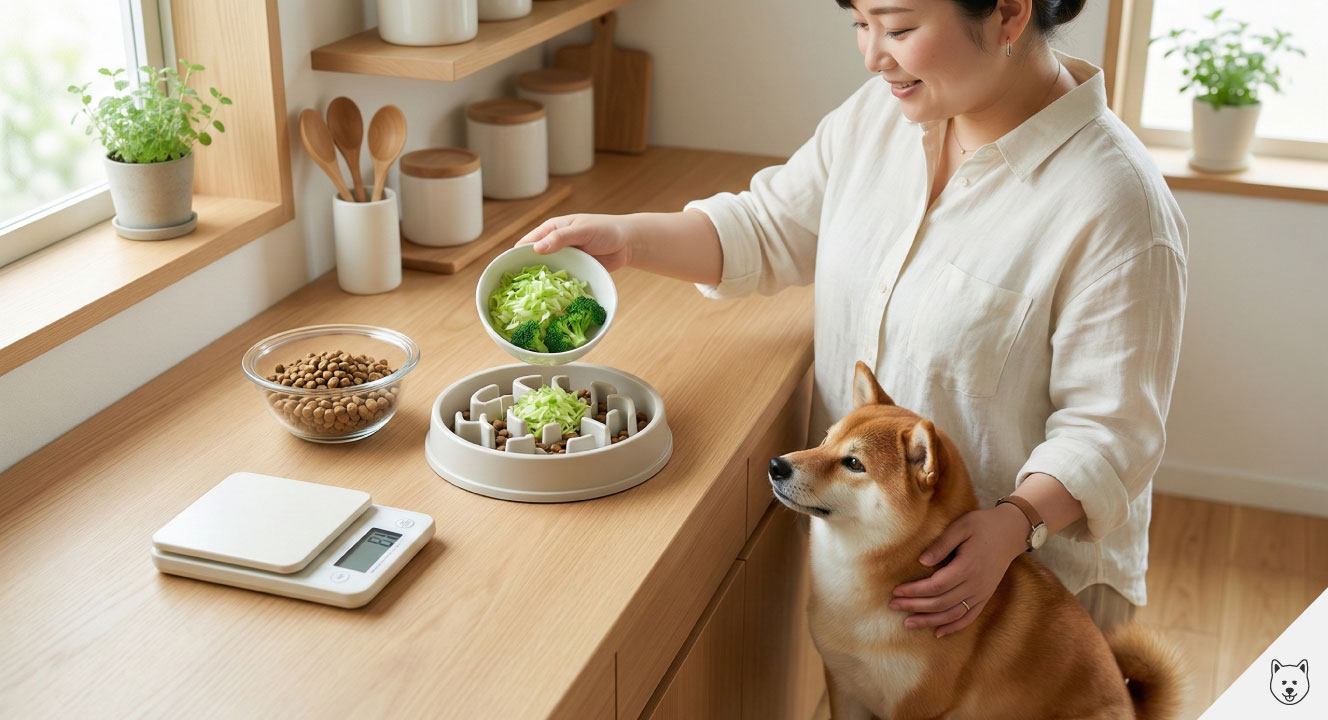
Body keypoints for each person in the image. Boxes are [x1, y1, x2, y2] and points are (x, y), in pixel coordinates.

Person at [515, 0, 1187, 637]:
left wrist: (1012, 524)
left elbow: (1109, 433)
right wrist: (625, 239)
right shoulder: (881, 117)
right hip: (876, 573)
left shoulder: (1116, 203)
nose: (872, 56)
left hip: (1021, 593)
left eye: (895, 27)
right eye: (859, 23)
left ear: (1010, 12)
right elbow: (768, 226)